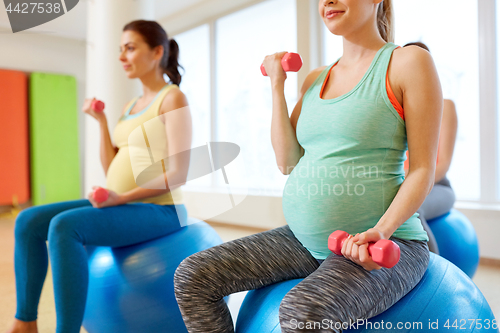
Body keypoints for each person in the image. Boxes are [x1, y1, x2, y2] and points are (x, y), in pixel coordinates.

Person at [173, 0, 442, 332]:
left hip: (385, 243)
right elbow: (287, 160)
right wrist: (276, 86)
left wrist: (381, 231)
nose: (326, 1)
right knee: (193, 277)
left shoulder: (408, 63)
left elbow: (422, 169)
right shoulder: (316, 79)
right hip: (306, 241)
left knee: (303, 312)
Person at [6, 20, 192, 333]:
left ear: (157, 52)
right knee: (28, 221)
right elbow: (112, 167)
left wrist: (122, 197)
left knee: (64, 226)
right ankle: (25, 322)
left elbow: (178, 173)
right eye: (121, 49)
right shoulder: (131, 105)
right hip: (122, 204)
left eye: (130, 48)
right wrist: (102, 121)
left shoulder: (172, 98)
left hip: (162, 210)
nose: (122, 56)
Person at [402, 41, 458, 255]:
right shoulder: (398, 106)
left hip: (437, 186)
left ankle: (432, 274)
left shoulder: (447, 106)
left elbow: (442, 164)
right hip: (401, 183)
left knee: (412, 209)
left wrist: (410, 182)